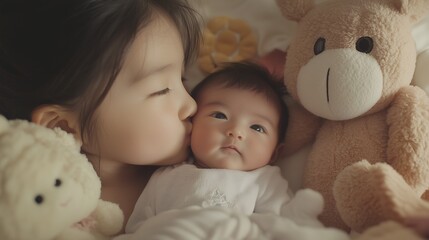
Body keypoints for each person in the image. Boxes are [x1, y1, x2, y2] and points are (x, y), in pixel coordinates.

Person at [0, 0, 201, 232]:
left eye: (183, 79)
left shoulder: (208, 159)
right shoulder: (44, 208)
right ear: (63, 126)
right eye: (162, 90)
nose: (192, 105)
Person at [124, 62, 349, 239]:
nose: (236, 132)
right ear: (191, 122)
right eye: (219, 115)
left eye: (257, 127)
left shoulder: (263, 181)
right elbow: (138, 227)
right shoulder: (167, 174)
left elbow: (281, 226)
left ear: (274, 154)